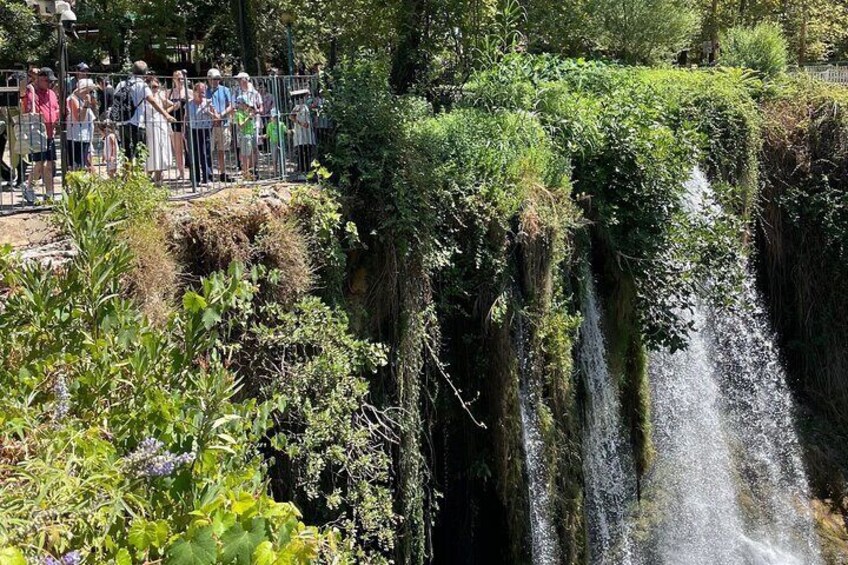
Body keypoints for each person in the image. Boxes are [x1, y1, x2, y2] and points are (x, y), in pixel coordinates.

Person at [112, 60, 174, 166]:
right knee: (140, 154)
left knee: (126, 154)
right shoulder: (142, 86)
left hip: (122, 122)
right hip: (136, 124)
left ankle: (127, 177)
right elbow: (153, 101)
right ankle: (139, 178)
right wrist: (166, 114)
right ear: (145, 73)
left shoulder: (121, 84)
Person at [21, 67, 60, 203]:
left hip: (50, 134)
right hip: (38, 133)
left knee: (49, 164)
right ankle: (29, 187)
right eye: (47, 81)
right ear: (40, 79)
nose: (50, 83)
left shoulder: (52, 93)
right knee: (39, 164)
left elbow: (56, 109)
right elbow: (21, 92)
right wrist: (30, 75)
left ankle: (49, 194)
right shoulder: (31, 91)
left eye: (51, 81)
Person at [143, 78, 174, 184]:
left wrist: (166, 113)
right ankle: (148, 174)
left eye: (156, 87)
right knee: (151, 150)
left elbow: (172, 104)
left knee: (161, 150)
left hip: (160, 124)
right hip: (150, 125)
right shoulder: (145, 97)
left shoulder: (160, 96)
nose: (155, 89)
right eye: (152, 87)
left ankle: (158, 176)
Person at [233, 72, 262, 176]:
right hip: (243, 123)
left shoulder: (253, 91)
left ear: (246, 79)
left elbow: (260, 106)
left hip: (254, 123)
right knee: (244, 148)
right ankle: (245, 170)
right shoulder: (236, 92)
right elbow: (234, 106)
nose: (238, 81)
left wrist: (255, 111)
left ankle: (254, 168)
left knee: (254, 146)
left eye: (240, 79)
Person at [66, 78, 98, 172]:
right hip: (76, 137)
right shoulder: (73, 99)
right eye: (88, 90)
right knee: (79, 165)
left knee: (86, 162)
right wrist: (85, 105)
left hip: (85, 137)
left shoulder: (81, 99)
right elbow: (79, 118)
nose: (90, 93)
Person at [205, 68, 232, 182]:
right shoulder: (205, 91)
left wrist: (221, 114)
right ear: (209, 79)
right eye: (213, 79)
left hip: (223, 123)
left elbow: (231, 105)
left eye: (217, 79)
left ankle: (223, 173)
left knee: (222, 149)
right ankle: (208, 173)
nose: (216, 81)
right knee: (208, 150)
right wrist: (213, 115)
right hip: (209, 124)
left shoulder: (225, 90)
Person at [187, 82, 216, 185]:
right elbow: (185, 118)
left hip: (205, 129)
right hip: (193, 130)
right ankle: (195, 179)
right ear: (194, 92)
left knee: (205, 153)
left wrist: (209, 112)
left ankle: (208, 177)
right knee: (194, 154)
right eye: (200, 92)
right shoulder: (189, 104)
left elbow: (216, 117)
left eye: (203, 92)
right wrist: (183, 131)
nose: (202, 94)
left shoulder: (208, 102)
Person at [167, 70, 189, 180]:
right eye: (177, 77)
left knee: (189, 148)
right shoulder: (170, 92)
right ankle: (181, 172)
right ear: (173, 79)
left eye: (181, 77)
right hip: (175, 122)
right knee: (178, 149)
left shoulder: (188, 92)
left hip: (186, 123)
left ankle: (193, 171)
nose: (179, 79)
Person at [290, 91, 315, 176]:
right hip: (300, 133)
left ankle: (307, 169)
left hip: (307, 133)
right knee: (301, 151)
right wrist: (301, 123)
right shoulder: (297, 107)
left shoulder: (306, 106)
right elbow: (291, 116)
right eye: (307, 96)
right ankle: (301, 169)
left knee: (307, 150)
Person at [234, 95, 257, 181]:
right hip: (245, 135)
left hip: (250, 134)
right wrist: (248, 118)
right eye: (245, 104)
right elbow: (240, 125)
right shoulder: (239, 113)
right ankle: (246, 173)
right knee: (245, 155)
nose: (247, 106)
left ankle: (249, 172)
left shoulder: (246, 112)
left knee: (249, 154)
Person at [264, 108, 285, 176]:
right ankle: (275, 173)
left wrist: (291, 131)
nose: (275, 119)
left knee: (282, 158)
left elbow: (286, 130)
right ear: (271, 117)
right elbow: (267, 135)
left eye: (276, 117)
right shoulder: (269, 125)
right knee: (274, 158)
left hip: (281, 142)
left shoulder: (281, 124)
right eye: (274, 117)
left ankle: (282, 173)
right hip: (273, 142)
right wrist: (261, 136)